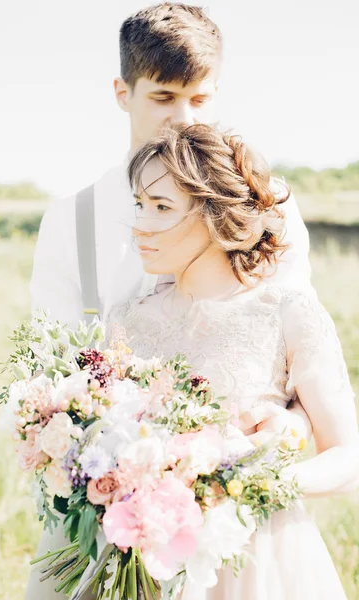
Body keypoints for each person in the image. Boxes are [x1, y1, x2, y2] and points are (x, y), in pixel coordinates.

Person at [27, 4, 312, 598]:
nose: (183, 118)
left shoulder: (271, 212)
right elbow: (48, 376)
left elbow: (300, 360)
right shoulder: (70, 222)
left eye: (200, 100)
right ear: (121, 93)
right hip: (103, 523)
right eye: (162, 97)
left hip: (232, 525)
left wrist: (288, 426)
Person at [105, 122, 359, 600]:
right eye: (140, 204)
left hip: (257, 560)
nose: (140, 222)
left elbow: (349, 460)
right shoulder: (125, 322)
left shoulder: (286, 313)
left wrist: (248, 480)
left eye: (161, 207)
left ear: (213, 214)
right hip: (146, 564)